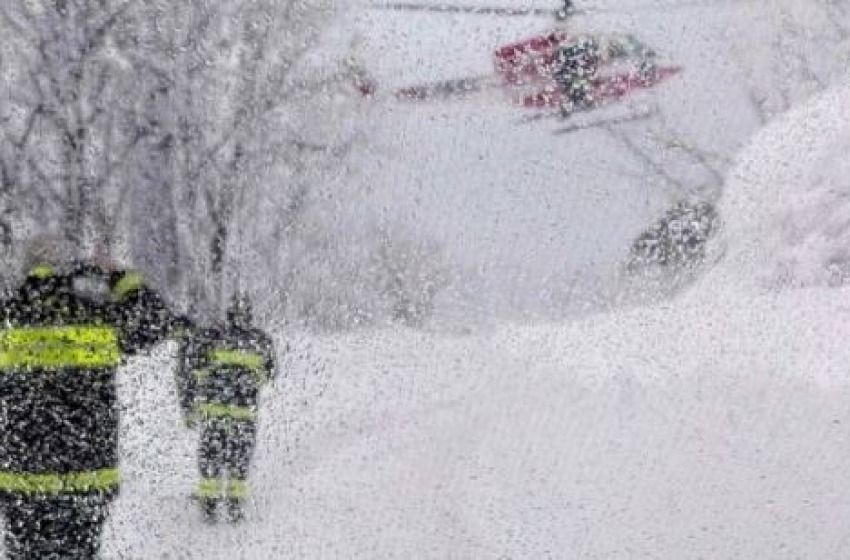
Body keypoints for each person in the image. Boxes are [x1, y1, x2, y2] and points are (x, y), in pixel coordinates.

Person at [0, 235, 187, 559]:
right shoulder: (96, 315)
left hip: (21, 480)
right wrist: (117, 277)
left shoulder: (8, 317)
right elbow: (155, 321)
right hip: (87, 475)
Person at [182, 293, 276, 522]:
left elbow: (195, 367)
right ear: (249, 315)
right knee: (239, 462)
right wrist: (247, 382)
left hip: (214, 413)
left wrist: (196, 398)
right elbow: (270, 372)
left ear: (229, 314)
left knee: (210, 460)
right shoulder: (260, 340)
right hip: (244, 415)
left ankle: (209, 506)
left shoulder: (214, 337)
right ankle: (234, 506)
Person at [553, 36, 602, 116]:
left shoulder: (569, 84)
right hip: (575, 59)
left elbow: (560, 71)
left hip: (572, 60)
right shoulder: (577, 83)